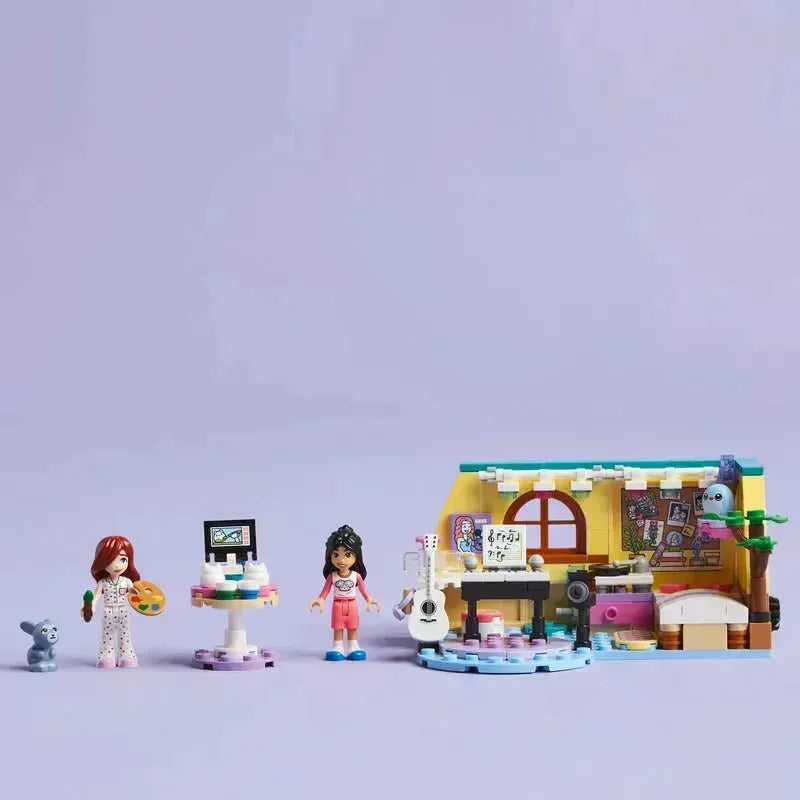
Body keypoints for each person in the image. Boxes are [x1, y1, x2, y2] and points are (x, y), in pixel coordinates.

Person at [309, 525, 380, 661]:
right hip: (337, 605)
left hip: (352, 604)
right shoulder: (332, 576)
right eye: (336, 555)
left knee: (352, 626)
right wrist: (320, 600)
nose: (341, 560)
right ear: (330, 556)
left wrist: (369, 600)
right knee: (338, 627)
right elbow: (325, 591)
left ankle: (353, 646)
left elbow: (363, 591)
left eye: (347, 555)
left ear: (356, 556)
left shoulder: (356, 576)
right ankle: (337, 646)